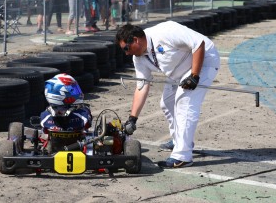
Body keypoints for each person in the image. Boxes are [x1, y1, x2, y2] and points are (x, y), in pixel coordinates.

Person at [115, 21, 220, 169]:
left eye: (126, 48)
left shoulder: (166, 32)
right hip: (178, 71)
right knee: (167, 103)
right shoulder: (138, 58)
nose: (126, 53)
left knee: (184, 102)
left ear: (136, 40)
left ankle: (182, 155)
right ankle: (179, 139)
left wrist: (195, 76)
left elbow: (198, 44)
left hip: (204, 61)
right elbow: (142, 86)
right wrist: (133, 118)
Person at [40, 73, 92, 141]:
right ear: (59, 94)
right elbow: (88, 123)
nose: (76, 92)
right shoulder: (82, 115)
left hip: (52, 141)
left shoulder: (45, 116)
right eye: (72, 90)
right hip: (77, 141)